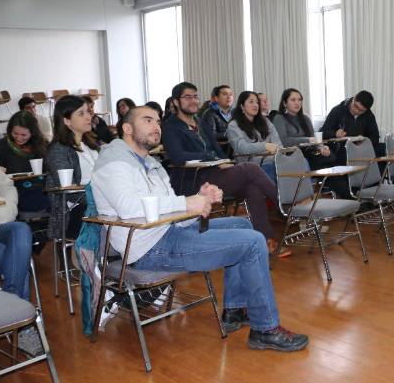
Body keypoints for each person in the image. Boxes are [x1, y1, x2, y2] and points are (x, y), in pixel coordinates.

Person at [91, 105, 309, 351]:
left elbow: (172, 212)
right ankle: (265, 328)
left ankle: (235, 310)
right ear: (127, 128)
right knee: (252, 242)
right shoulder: (113, 161)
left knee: (243, 225)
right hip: (148, 249)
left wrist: (199, 201)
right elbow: (129, 209)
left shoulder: (151, 163)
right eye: (148, 120)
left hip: (170, 233)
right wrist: (188, 203)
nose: (156, 127)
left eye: (158, 122)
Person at [161, 82, 285, 255]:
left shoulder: (200, 122)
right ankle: (284, 204)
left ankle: (266, 239)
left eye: (195, 96)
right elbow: (177, 157)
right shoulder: (170, 127)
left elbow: (217, 148)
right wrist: (211, 158)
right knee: (250, 169)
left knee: (252, 187)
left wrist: (223, 160)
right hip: (192, 180)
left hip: (214, 174)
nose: (193, 100)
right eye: (187, 97)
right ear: (175, 102)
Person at [0, 149, 41, 355]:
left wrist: (9, 206)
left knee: (22, 230)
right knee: (17, 258)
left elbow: (6, 186)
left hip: (1, 221)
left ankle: (12, 300)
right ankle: (23, 325)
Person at [45, 95, 99, 241]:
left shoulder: (91, 146)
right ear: (66, 120)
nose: (89, 116)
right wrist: (105, 197)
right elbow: (70, 192)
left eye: (88, 112)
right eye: (81, 114)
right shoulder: (58, 150)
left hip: (100, 203)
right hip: (75, 211)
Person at [0, 111, 49, 212]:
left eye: (24, 135)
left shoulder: (43, 144)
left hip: (43, 189)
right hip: (15, 192)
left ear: (33, 133)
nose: (19, 138)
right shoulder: (0, 147)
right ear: (9, 130)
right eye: (15, 133)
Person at [226, 91, 282, 182]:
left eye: (257, 102)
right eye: (251, 102)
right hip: (251, 166)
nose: (255, 105)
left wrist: (272, 149)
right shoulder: (233, 125)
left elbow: (278, 145)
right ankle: (277, 195)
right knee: (273, 167)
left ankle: (298, 195)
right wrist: (265, 146)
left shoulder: (266, 122)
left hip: (273, 160)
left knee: (300, 162)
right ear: (242, 106)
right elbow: (242, 148)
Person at [272, 88, 334, 169]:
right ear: (284, 103)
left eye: (299, 99)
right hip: (291, 154)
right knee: (321, 162)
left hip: (309, 152)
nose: (297, 103)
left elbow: (314, 140)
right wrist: (307, 140)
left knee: (331, 157)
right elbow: (283, 141)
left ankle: (328, 180)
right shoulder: (279, 118)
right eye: (293, 100)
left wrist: (322, 147)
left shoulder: (305, 118)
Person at [319, 90, 384, 157]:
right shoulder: (338, 110)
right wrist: (335, 133)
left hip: (360, 148)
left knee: (384, 149)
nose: (356, 111)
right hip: (341, 148)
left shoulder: (368, 115)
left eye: (361, 110)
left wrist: (364, 141)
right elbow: (322, 133)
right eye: (355, 106)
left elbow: (375, 137)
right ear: (353, 99)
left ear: (366, 110)